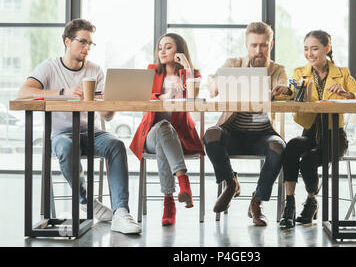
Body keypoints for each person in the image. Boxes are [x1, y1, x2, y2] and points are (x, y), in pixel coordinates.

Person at [17, 18, 141, 234]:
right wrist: (64, 93)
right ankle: (88, 202)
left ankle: (121, 213)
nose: (87, 47)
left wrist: (114, 102)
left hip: (91, 132)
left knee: (116, 145)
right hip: (62, 134)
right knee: (65, 147)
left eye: (90, 43)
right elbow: (24, 93)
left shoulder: (96, 70)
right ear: (67, 41)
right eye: (83, 42)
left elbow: (106, 114)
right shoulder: (50, 67)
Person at [271, 30, 356, 229]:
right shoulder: (300, 72)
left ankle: (311, 200)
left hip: (334, 138)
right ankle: (289, 205)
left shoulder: (342, 73)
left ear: (327, 48)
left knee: (308, 160)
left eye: (315, 48)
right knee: (292, 148)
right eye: (306, 49)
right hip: (310, 132)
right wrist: (285, 91)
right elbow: (294, 91)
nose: (310, 53)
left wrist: (346, 93)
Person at [204, 22, 288, 226]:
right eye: (254, 45)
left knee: (279, 146)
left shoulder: (277, 70)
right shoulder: (233, 64)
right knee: (211, 134)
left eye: (263, 45)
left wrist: (282, 90)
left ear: (271, 44)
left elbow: (286, 87)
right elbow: (212, 84)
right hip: (232, 131)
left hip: (263, 134)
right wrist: (216, 85)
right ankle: (231, 183)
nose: (258, 50)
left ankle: (257, 202)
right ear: (246, 45)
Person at [129, 33, 204, 226]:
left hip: (178, 138)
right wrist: (163, 96)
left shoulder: (192, 73)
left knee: (166, 136)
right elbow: (143, 96)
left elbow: (193, 97)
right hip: (150, 136)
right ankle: (183, 182)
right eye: (160, 47)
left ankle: (169, 203)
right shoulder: (152, 72)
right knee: (163, 127)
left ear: (179, 50)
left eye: (168, 47)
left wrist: (186, 67)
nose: (162, 51)